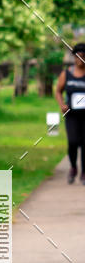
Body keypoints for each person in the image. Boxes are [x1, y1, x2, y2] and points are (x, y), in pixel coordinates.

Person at [55, 42, 85, 184]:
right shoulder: (66, 74)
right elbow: (58, 91)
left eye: (83, 57)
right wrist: (62, 105)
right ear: (74, 58)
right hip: (72, 115)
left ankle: (84, 172)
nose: (80, 59)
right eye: (78, 57)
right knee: (73, 142)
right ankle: (73, 167)